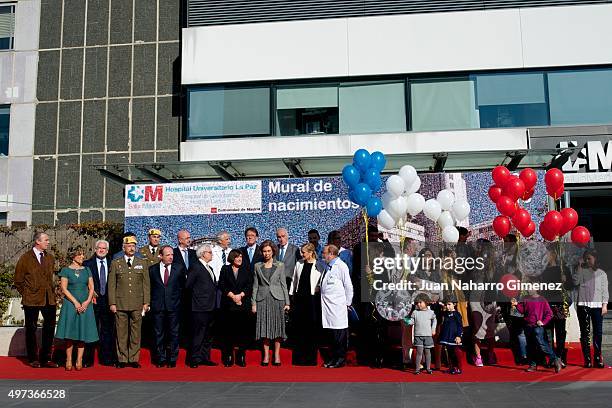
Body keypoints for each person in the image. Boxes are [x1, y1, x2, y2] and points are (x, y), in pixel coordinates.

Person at [13, 232, 59, 368]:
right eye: (46, 240)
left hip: (48, 299)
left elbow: (50, 278)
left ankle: (46, 358)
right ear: (37, 242)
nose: (48, 242)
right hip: (31, 300)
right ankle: (33, 358)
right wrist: (27, 293)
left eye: (48, 240)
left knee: (49, 328)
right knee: (31, 328)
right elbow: (18, 280)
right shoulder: (25, 258)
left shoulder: (50, 258)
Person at [108, 236, 150, 368]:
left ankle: (133, 358)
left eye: (134, 245)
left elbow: (146, 285)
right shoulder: (116, 263)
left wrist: (146, 302)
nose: (132, 248)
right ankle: (122, 359)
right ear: (123, 247)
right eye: (129, 245)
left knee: (136, 333)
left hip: (137, 303)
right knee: (121, 333)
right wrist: (112, 303)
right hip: (120, 303)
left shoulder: (142, 262)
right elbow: (111, 285)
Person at [55, 247, 99, 371]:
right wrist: (75, 302)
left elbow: (91, 287)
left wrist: (86, 302)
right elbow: (64, 288)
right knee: (70, 333)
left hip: (86, 304)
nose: (82, 257)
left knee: (82, 332)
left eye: (83, 255)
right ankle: (68, 359)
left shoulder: (87, 270)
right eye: (79, 255)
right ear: (73, 256)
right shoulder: (65, 270)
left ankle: (79, 359)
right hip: (70, 304)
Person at [252, 239, 290, 366]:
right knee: (265, 328)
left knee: (278, 328)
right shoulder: (257, 266)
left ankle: (277, 355)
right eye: (264, 251)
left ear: (273, 252)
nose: (266, 253)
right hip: (262, 300)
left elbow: (284, 285)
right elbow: (255, 286)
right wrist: (253, 303)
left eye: (268, 251)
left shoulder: (280, 265)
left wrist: (287, 302)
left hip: (278, 300)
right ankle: (266, 356)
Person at [149, 245, 185, 368]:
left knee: (174, 333)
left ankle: (172, 358)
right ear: (161, 256)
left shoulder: (179, 268)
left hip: (174, 307)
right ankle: (160, 358)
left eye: (172, 255)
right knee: (159, 333)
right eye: (168, 255)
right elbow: (150, 288)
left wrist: (178, 302)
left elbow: (182, 287)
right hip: (157, 306)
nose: (171, 257)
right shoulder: (152, 270)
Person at [290, 243, 325, 366]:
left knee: (311, 329)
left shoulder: (320, 265)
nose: (301, 254)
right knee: (300, 329)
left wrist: (319, 288)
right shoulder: (299, 264)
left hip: (312, 301)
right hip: (300, 300)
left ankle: (311, 359)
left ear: (311, 252)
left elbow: (322, 281)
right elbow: (294, 280)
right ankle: (299, 358)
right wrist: (291, 296)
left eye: (304, 252)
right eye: (301, 252)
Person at [573, 250, 609, 368]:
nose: (587, 261)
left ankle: (598, 358)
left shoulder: (602, 273)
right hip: (583, 305)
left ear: (595, 259)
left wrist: (605, 305)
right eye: (586, 259)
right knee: (585, 333)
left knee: (598, 333)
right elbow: (575, 281)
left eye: (589, 258)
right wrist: (579, 266)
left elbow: (605, 291)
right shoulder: (581, 270)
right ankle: (587, 359)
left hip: (597, 307)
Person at [218, 249, 253, 367]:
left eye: (241, 257)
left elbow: (250, 285)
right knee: (229, 331)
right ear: (232, 258)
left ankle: (241, 356)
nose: (239, 259)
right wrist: (233, 296)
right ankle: (228, 356)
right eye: (237, 257)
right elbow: (222, 285)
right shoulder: (225, 269)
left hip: (243, 305)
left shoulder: (246, 269)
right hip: (228, 305)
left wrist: (240, 295)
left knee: (242, 331)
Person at [83, 240, 116, 367]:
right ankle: (88, 360)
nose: (101, 250)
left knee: (108, 330)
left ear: (107, 251)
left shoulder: (113, 263)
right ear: (95, 249)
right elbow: (83, 282)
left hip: (108, 301)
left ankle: (107, 358)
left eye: (104, 248)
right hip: (93, 301)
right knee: (91, 330)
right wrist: (90, 292)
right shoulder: (87, 264)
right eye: (99, 248)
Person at [512, 289, 562, 373]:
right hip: (528, 326)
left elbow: (549, 313)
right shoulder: (526, 299)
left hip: (537, 327)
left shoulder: (542, 300)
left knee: (542, 344)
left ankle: (555, 359)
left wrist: (543, 322)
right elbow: (522, 310)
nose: (528, 290)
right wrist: (516, 304)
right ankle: (533, 365)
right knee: (530, 346)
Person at [320, 244, 353, 368]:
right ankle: (332, 358)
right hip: (328, 306)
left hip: (338, 306)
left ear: (331, 254)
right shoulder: (327, 267)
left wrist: (347, 303)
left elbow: (348, 286)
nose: (322, 255)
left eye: (324, 253)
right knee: (331, 335)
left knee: (339, 335)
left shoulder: (341, 266)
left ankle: (340, 358)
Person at [186, 244, 219, 368]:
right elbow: (188, 286)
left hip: (210, 306)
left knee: (208, 335)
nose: (211, 254)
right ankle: (194, 358)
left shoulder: (208, 267)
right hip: (199, 308)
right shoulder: (196, 267)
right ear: (203, 254)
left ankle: (205, 357)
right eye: (209, 252)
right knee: (198, 334)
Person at [541, 245, 572, 367]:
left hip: (559, 304)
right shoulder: (543, 271)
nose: (545, 257)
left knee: (560, 332)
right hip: (547, 304)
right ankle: (552, 358)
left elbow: (570, 286)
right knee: (548, 333)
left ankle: (560, 357)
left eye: (547, 254)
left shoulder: (562, 269)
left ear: (553, 254)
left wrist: (565, 280)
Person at [411, 294, 437, 375]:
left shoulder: (431, 312)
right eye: (417, 303)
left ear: (426, 303)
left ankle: (428, 368)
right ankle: (417, 368)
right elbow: (412, 321)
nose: (418, 304)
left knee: (427, 352)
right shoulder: (415, 312)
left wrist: (433, 329)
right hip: (418, 335)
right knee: (419, 352)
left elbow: (434, 321)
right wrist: (407, 321)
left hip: (428, 335)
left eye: (420, 302)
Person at [439, 299, 464, 375]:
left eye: (449, 304)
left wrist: (459, 336)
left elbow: (460, 326)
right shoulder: (445, 313)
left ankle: (458, 368)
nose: (447, 306)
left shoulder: (457, 314)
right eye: (446, 305)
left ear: (454, 304)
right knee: (449, 353)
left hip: (454, 336)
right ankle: (451, 368)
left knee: (455, 353)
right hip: (447, 336)